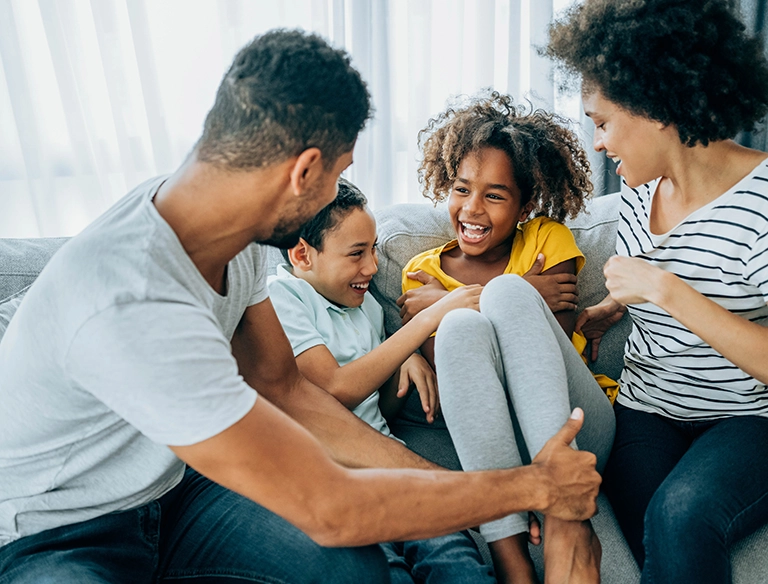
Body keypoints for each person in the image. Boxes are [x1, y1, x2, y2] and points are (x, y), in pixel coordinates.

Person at [0, 29, 602, 584]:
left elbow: (286, 390)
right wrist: (531, 487)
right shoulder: (130, 298)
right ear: (305, 170)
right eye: (338, 175)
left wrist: (446, 488)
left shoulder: (226, 238)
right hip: (57, 532)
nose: (334, 193)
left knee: (355, 574)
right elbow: (330, 507)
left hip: (175, 491)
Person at [544, 1, 768, 582]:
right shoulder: (639, 198)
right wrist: (605, 310)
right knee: (662, 539)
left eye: (602, 121)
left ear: (655, 106)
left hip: (749, 420)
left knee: (681, 514)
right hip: (646, 411)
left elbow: (673, 285)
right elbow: (671, 278)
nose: (596, 144)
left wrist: (666, 290)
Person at [397, 93, 616, 584]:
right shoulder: (420, 271)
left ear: (525, 204)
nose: (472, 209)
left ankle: (566, 521)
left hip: (575, 426)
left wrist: (456, 298)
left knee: (500, 299)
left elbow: (549, 344)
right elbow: (459, 376)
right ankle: (510, 556)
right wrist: (482, 299)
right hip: (495, 443)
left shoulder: (546, 239)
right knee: (459, 326)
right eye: (461, 189)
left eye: (495, 195)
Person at [268, 178, 496, 583]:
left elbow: (381, 410)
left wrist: (400, 364)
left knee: (456, 559)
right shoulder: (282, 298)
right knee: (384, 570)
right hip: (335, 480)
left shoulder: (367, 306)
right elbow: (334, 391)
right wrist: (424, 322)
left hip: (391, 465)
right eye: (356, 254)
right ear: (303, 255)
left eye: (372, 250)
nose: (371, 267)